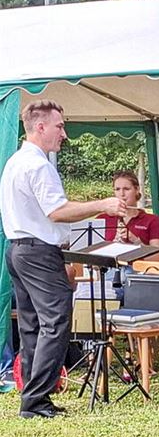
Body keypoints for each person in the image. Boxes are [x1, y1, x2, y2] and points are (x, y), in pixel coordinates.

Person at [1, 100, 125, 418]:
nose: (64, 134)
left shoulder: (15, 161)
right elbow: (57, 212)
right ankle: (37, 400)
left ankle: (32, 396)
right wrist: (104, 204)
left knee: (31, 325)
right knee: (56, 323)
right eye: (59, 126)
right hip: (39, 253)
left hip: (18, 249)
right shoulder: (39, 165)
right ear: (40, 127)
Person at [97, 171, 159, 247]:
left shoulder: (152, 220)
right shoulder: (102, 219)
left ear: (137, 190)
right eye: (117, 189)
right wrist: (112, 244)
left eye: (126, 189)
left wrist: (136, 241)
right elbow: (91, 254)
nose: (122, 194)